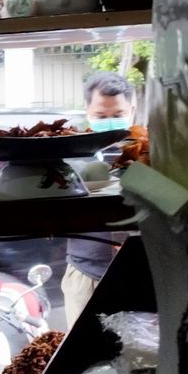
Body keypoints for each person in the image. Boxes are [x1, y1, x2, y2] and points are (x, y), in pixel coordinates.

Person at [61, 71, 134, 328]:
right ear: (87, 111)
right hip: (86, 275)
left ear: (132, 109)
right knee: (88, 363)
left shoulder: (151, 151)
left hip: (140, 276)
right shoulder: (71, 152)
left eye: (118, 115)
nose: (111, 122)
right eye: (102, 117)